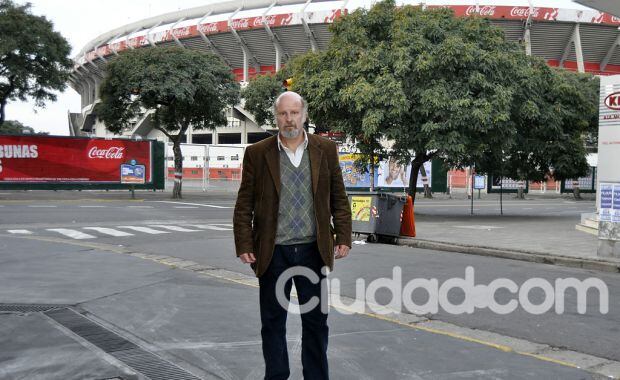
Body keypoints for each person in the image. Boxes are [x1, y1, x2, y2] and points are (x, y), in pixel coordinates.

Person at [233, 91, 352, 380]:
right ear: (276, 117)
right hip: (273, 253)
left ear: (304, 115)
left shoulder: (325, 149)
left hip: (313, 250)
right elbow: (244, 203)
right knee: (273, 323)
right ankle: (276, 376)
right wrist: (244, 243)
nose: (289, 119)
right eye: (283, 114)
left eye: (294, 113)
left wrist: (344, 236)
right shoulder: (258, 153)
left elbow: (338, 196)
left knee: (316, 322)